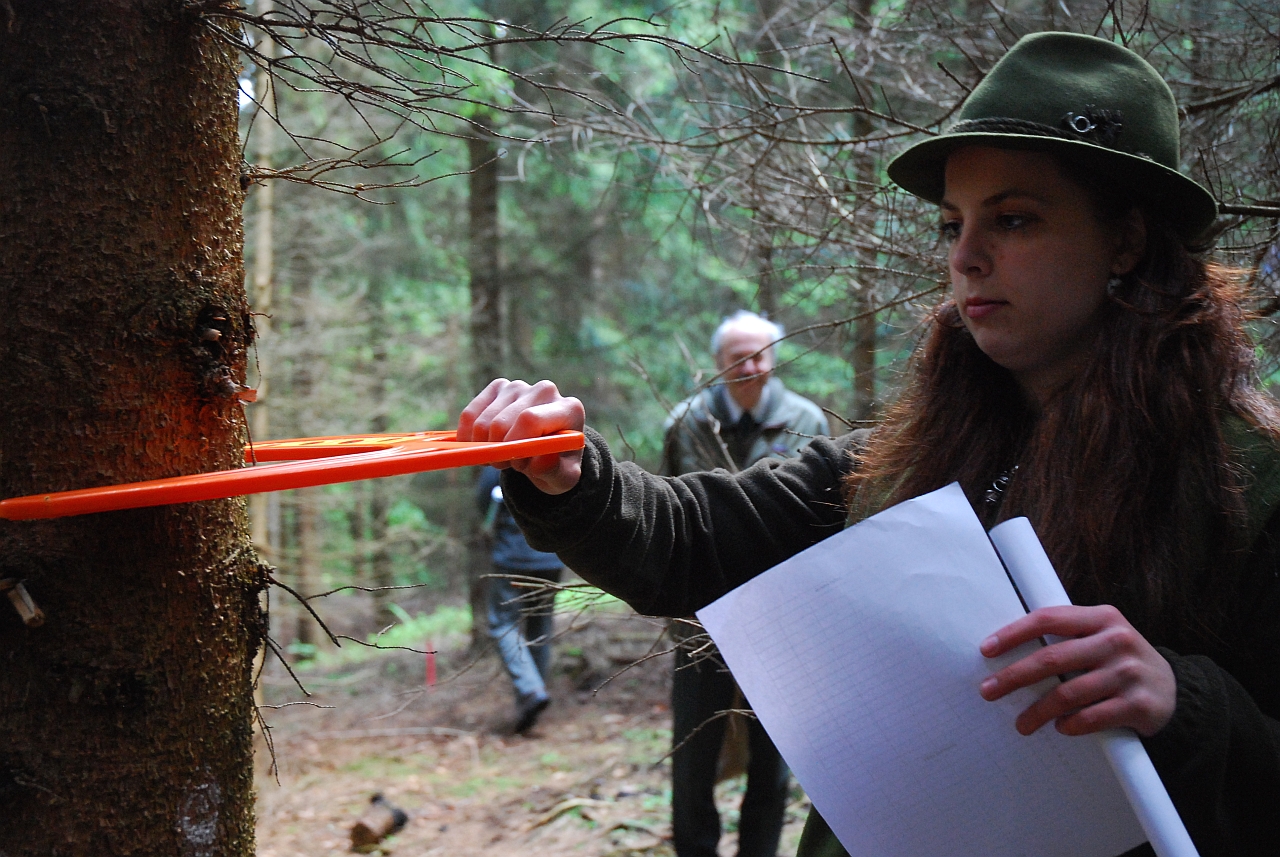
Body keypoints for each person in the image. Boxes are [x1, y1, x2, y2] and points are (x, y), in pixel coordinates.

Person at [456, 31, 1280, 857]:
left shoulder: (1246, 481)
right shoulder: (904, 459)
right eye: (952, 224)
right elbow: (691, 538)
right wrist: (573, 476)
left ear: (1127, 239)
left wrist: (1185, 705)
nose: (966, 257)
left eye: (1014, 219)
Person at [662, 311, 828, 857]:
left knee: (772, 759)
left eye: (760, 356)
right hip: (700, 619)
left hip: (781, 619)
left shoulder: (806, 420)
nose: (750, 367)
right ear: (718, 363)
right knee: (693, 752)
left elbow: (825, 519)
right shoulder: (686, 423)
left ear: (774, 359)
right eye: (738, 358)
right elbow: (665, 515)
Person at [476, 465, 564, 734]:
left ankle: (530, 690)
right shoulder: (550, 454)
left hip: (512, 557)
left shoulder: (497, 463)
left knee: (502, 624)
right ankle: (531, 704)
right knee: (540, 627)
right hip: (551, 556)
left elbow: (483, 504)